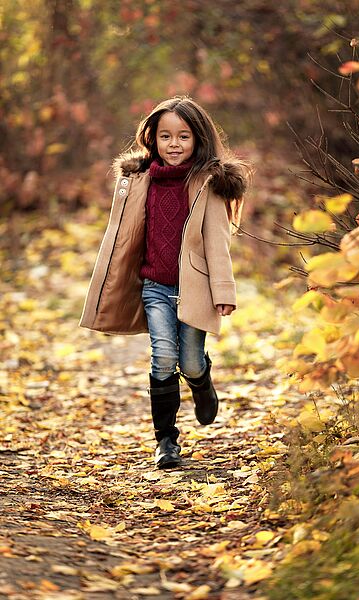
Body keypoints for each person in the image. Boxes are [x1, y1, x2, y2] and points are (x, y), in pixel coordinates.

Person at [79, 96, 252, 469]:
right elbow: (121, 236)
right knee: (162, 358)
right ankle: (166, 442)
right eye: (166, 136)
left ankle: (201, 380)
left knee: (188, 362)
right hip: (154, 286)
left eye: (183, 136)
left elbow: (218, 243)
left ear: (198, 139)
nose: (174, 144)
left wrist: (223, 292)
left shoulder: (208, 184)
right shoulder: (138, 180)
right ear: (152, 139)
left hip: (195, 288)